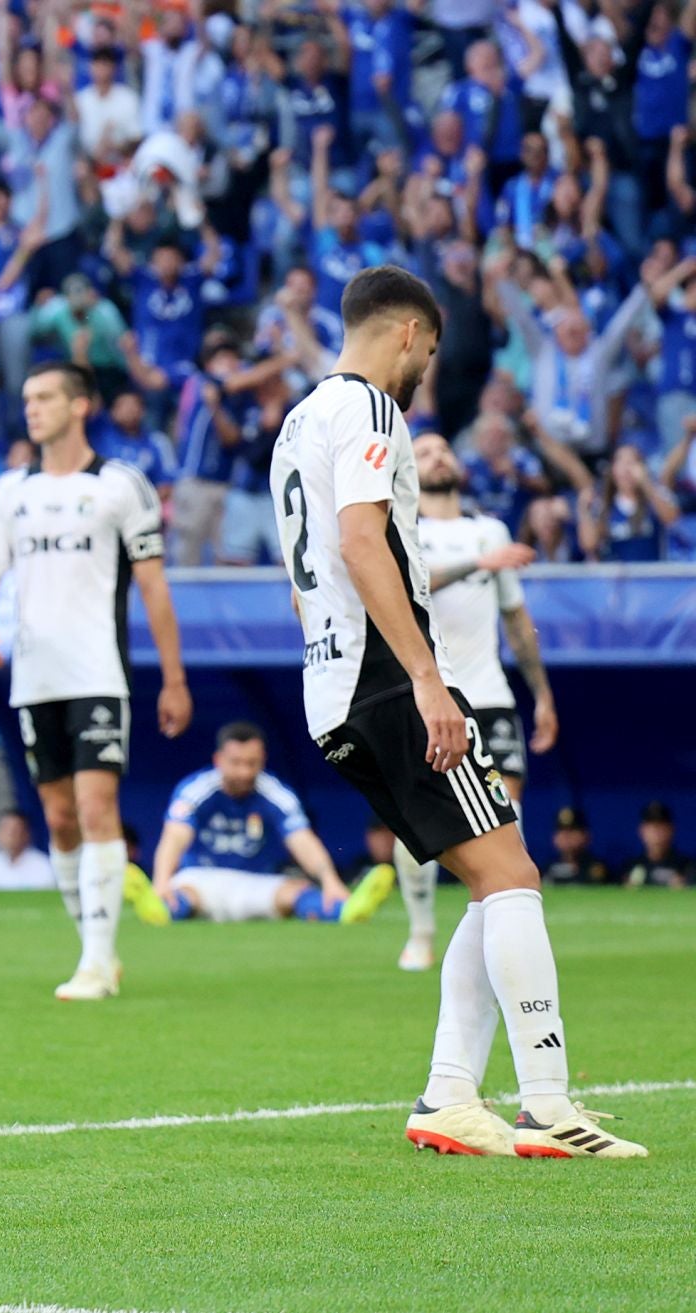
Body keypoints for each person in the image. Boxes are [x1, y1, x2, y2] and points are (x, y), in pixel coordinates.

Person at [268, 264, 644, 1158]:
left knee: (489, 877)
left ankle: (449, 1096)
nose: (426, 370)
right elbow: (363, 543)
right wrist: (428, 678)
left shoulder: (296, 423)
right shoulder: (366, 408)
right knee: (512, 874)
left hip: (334, 683)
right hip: (386, 682)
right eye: (430, 352)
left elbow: (304, 578)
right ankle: (549, 1102)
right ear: (407, 334)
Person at [0, 362, 193, 1001]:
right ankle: (93, 947)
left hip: (98, 671)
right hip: (33, 677)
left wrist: (173, 679)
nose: (32, 409)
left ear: (80, 405)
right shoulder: (11, 490)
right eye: (27, 398)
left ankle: (97, 960)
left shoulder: (121, 486)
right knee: (59, 819)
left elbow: (154, 588)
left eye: (45, 397)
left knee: (98, 810)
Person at [398, 431, 555, 971]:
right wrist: (479, 565)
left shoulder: (490, 530)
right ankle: (420, 933)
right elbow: (409, 589)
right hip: (430, 692)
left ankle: (505, 927)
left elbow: (515, 619)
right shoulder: (404, 529)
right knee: (418, 819)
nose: (437, 456)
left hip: (489, 693)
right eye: (424, 452)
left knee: (505, 812)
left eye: (443, 450)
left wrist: (543, 695)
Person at [126, 721, 393, 925]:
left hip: (254, 884)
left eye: (252, 763)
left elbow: (302, 840)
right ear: (218, 760)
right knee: (182, 895)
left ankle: (345, 910)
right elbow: (175, 837)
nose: (244, 771)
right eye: (236, 763)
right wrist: (161, 882)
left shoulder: (274, 792)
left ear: (262, 760)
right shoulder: (197, 789)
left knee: (296, 892)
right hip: (200, 880)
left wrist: (330, 881)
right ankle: (161, 907)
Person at [0, 808, 55, 892]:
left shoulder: (43, 864)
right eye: (5, 828)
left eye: (16, 829)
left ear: (27, 834)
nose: (10, 834)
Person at [620, 801, 694, 889]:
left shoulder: (688, 866)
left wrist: (686, 887)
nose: (656, 831)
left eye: (661, 826)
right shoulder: (630, 866)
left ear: (671, 829)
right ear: (641, 830)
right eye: (651, 826)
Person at [543, 806, 610, 886]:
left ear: (585, 835)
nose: (566, 836)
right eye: (561, 831)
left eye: (572, 831)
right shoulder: (548, 867)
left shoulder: (595, 867)